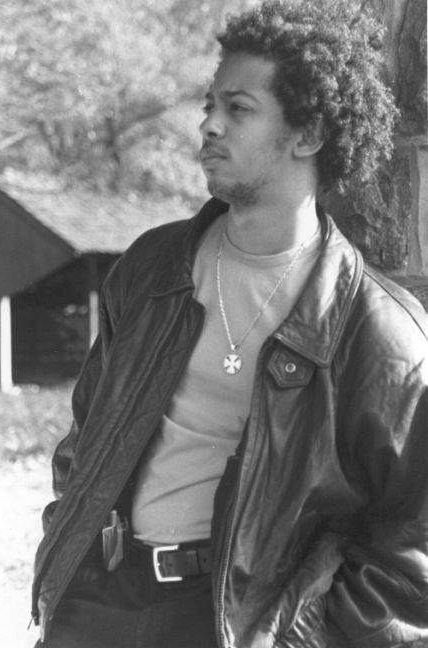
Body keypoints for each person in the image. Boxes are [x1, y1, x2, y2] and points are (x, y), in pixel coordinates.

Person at [31, 1, 428, 646]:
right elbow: (87, 434)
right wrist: (69, 549)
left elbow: (411, 546)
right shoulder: (153, 269)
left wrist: (302, 634)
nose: (209, 125)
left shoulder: (380, 334)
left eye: (239, 109)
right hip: (100, 605)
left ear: (307, 135)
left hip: (238, 625)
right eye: (209, 105)